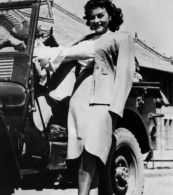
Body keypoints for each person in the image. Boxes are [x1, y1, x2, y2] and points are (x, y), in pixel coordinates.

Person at [33, 0, 135, 194]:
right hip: (79, 100)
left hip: (104, 101)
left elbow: (126, 73)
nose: (96, 20)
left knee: (93, 150)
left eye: (100, 16)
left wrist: (115, 107)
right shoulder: (83, 40)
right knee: (81, 152)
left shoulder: (121, 38)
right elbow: (63, 58)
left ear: (110, 16)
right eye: (92, 17)